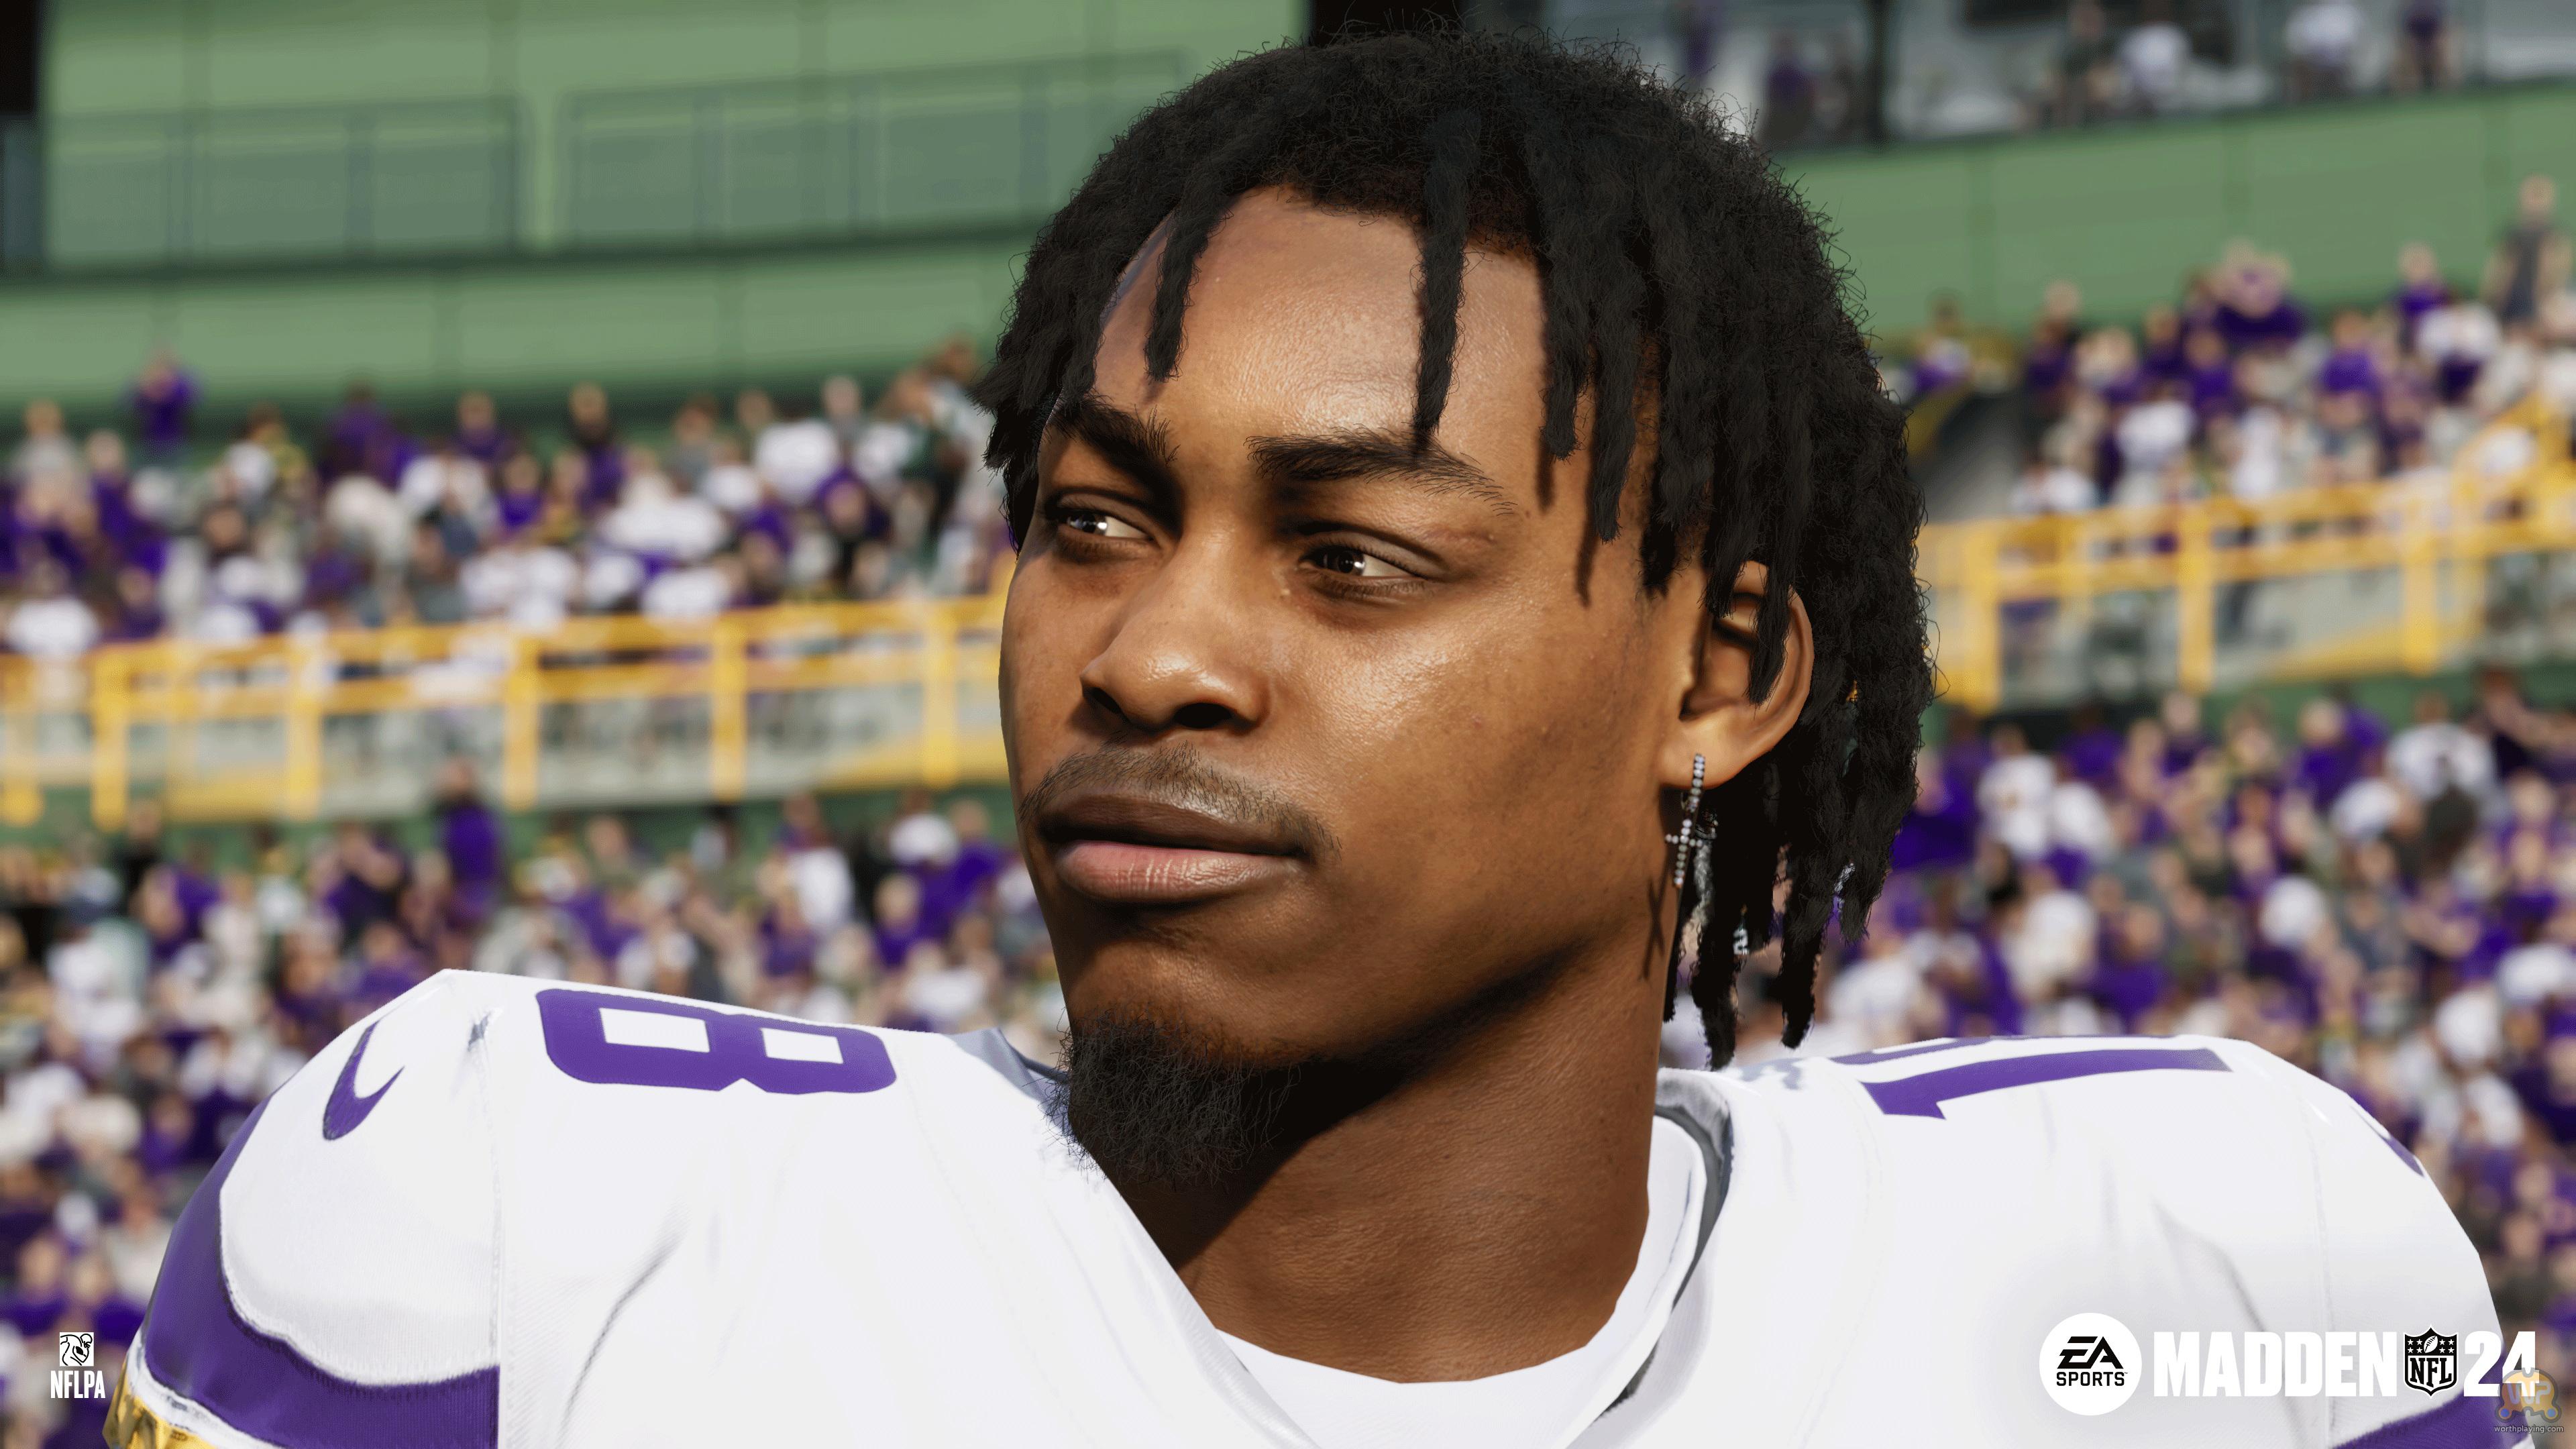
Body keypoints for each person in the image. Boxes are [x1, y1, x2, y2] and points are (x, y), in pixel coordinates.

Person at [111, 31, 2508, 1449]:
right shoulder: (519, 1224)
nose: (1154, 652)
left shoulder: (2211, 1275)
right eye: (1091, 520)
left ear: (1717, 679)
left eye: (1353, 557)